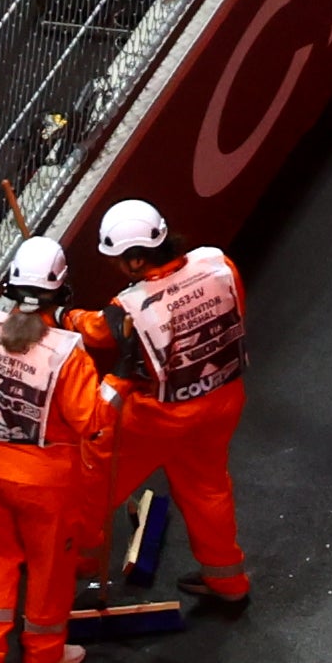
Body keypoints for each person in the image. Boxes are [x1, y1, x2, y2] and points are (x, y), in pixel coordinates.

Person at [0, 238, 119, 663]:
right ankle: (43, 654)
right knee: (49, 565)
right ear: (61, 292)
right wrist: (115, 390)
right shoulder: (68, 353)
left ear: (9, 287)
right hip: (44, 483)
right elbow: (91, 422)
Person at [83, 197, 252, 613]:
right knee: (207, 489)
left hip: (160, 416)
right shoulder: (219, 264)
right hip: (224, 398)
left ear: (136, 261)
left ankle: (68, 574)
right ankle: (227, 582)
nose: (117, 269)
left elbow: (97, 333)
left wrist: (57, 316)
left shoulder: (131, 307)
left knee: (91, 485)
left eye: (120, 261)